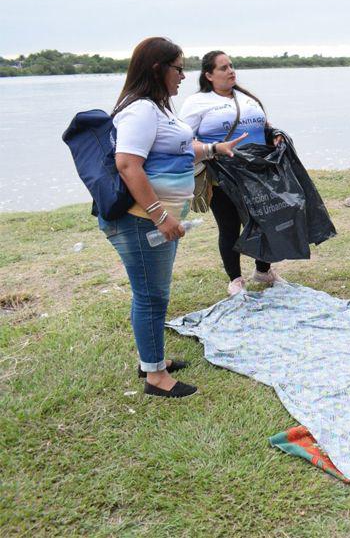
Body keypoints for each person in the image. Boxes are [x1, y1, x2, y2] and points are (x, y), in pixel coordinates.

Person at [104, 37, 245, 398]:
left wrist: (214, 148)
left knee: (153, 293)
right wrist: (159, 215)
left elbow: (182, 144)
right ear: (157, 69)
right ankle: (156, 379)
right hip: (140, 220)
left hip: (152, 218)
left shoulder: (159, 108)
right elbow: (127, 164)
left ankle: (153, 360)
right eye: (178, 68)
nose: (184, 76)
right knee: (151, 296)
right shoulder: (139, 110)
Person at [180, 51, 284, 295]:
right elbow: (182, 139)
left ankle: (263, 270)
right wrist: (211, 150)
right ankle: (235, 279)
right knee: (229, 227)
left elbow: (263, 126)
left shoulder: (246, 97)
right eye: (223, 68)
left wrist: (275, 134)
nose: (231, 71)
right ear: (209, 75)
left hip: (257, 172)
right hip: (222, 176)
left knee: (263, 220)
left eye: (231, 66)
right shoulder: (197, 102)